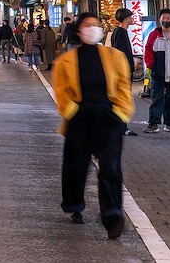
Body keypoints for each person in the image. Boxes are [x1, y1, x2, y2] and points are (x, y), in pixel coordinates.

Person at [52, 12, 134, 240]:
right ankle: (75, 205)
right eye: (87, 26)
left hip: (109, 120)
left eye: (96, 25)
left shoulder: (114, 56)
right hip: (79, 120)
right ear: (79, 32)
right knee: (75, 166)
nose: (92, 29)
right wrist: (72, 112)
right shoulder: (65, 62)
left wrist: (120, 114)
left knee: (111, 168)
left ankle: (112, 215)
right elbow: (62, 92)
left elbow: (123, 88)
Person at [143, 9, 170, 133]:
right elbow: (148, 51)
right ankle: (153, 123)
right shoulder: (154, 35)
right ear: (160, 20)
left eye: (168, 18)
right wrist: (152, 66)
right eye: (163, 18)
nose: (165, 21)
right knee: (157, 98)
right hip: (158, 73)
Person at [110, 8, 138, 138]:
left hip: (121, 71)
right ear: (126, 18)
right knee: (123, 99)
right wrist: (127, 70)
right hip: (123, 72)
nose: (132, 19)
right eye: (131, 17)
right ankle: (122, 127)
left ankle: (121, 126)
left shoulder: (118, 32)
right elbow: (121, 54)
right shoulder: (121, 33)